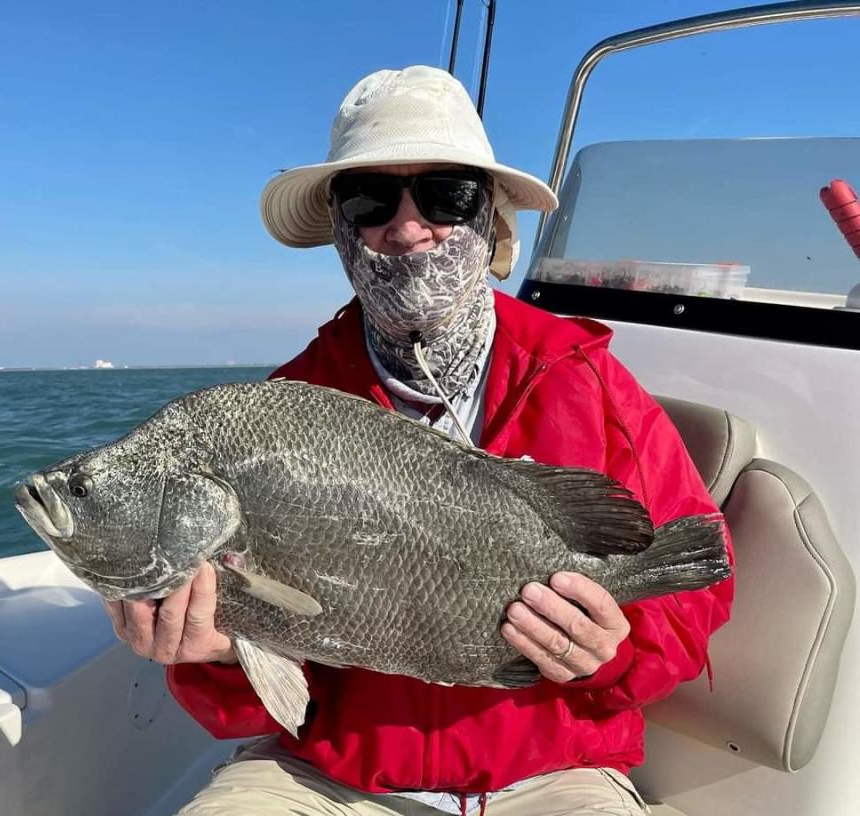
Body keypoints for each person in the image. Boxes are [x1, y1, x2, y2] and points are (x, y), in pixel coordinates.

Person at [104, 66, 734, 815]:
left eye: (446, 194)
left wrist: (613, 651)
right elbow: (250, 707)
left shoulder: (587, 382)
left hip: (555, 773)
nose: (407, 228)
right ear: (341, 228)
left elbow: (694, 592)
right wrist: (211, 655)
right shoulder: (274, 414)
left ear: (488, 216)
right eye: (371, 200)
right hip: (326, 777)